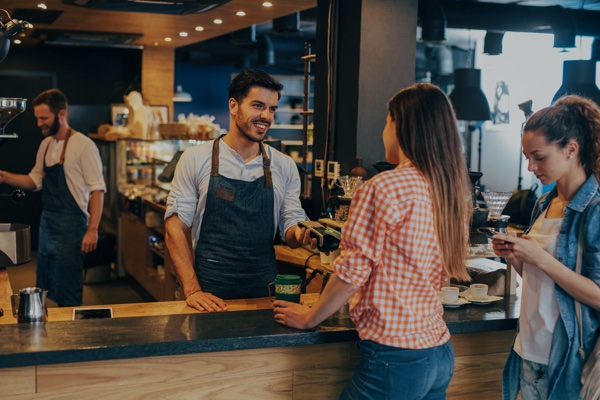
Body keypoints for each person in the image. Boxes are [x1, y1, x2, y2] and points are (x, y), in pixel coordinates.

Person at [273, 83, 473, 400]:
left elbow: (352, 273)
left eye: (386, 121)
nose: (384, 130)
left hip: (395, 356)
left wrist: (309, 318)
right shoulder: (452, 191)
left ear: (401, 127)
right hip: (438, 352)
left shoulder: (384, 187)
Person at [165, 70, 314, 313]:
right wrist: (192, 290)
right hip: (209, 291)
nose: (266, 116)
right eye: (258, 106)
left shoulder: (284, 165)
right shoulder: (195, 159)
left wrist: (303, 233)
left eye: (272, 109)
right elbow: (174, 227)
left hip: (264, 290)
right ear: (233, 106)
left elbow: (290, 222)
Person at [491, 95, 600, 400]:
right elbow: (542, 282)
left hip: (568, 357)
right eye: (527, 157)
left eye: (539, 157)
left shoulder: (595, 210)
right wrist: (515, 257)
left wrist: (540, 257)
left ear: (571, 149)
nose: (531, 167)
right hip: (528, 347)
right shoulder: (543, 203)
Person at [0, 89, 106, 306]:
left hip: (72, 226)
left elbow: (97, 190)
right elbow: (34, 181)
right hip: (48, 224)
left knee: (68, 288)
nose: (39, 123)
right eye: (37, 118)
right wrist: (4, 176)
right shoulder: (46, 144)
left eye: (44, 118)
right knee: (45, 285)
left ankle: (72, 336)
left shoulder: (84, 146)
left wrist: (92, 230)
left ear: (61, 114)